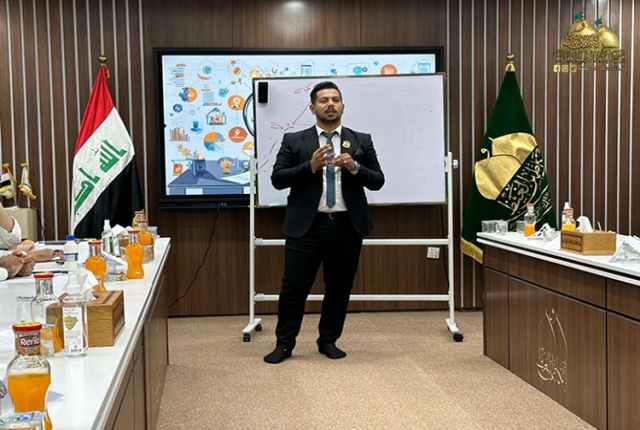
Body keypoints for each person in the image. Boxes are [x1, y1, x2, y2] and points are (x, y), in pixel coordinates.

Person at [264, 81, 385, 364]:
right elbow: (277, 179)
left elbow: (377, 181)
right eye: (323, 100)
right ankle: (284, 344)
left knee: (339, 287)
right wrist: (310, 167)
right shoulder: (294, 140)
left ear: (343, 106)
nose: (330, 104)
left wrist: (355, 167)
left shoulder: (361, 140)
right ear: (312, 108)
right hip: (306, 226)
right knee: (294, 288)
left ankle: (328, 340)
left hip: (346, 226)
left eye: (335, 99)